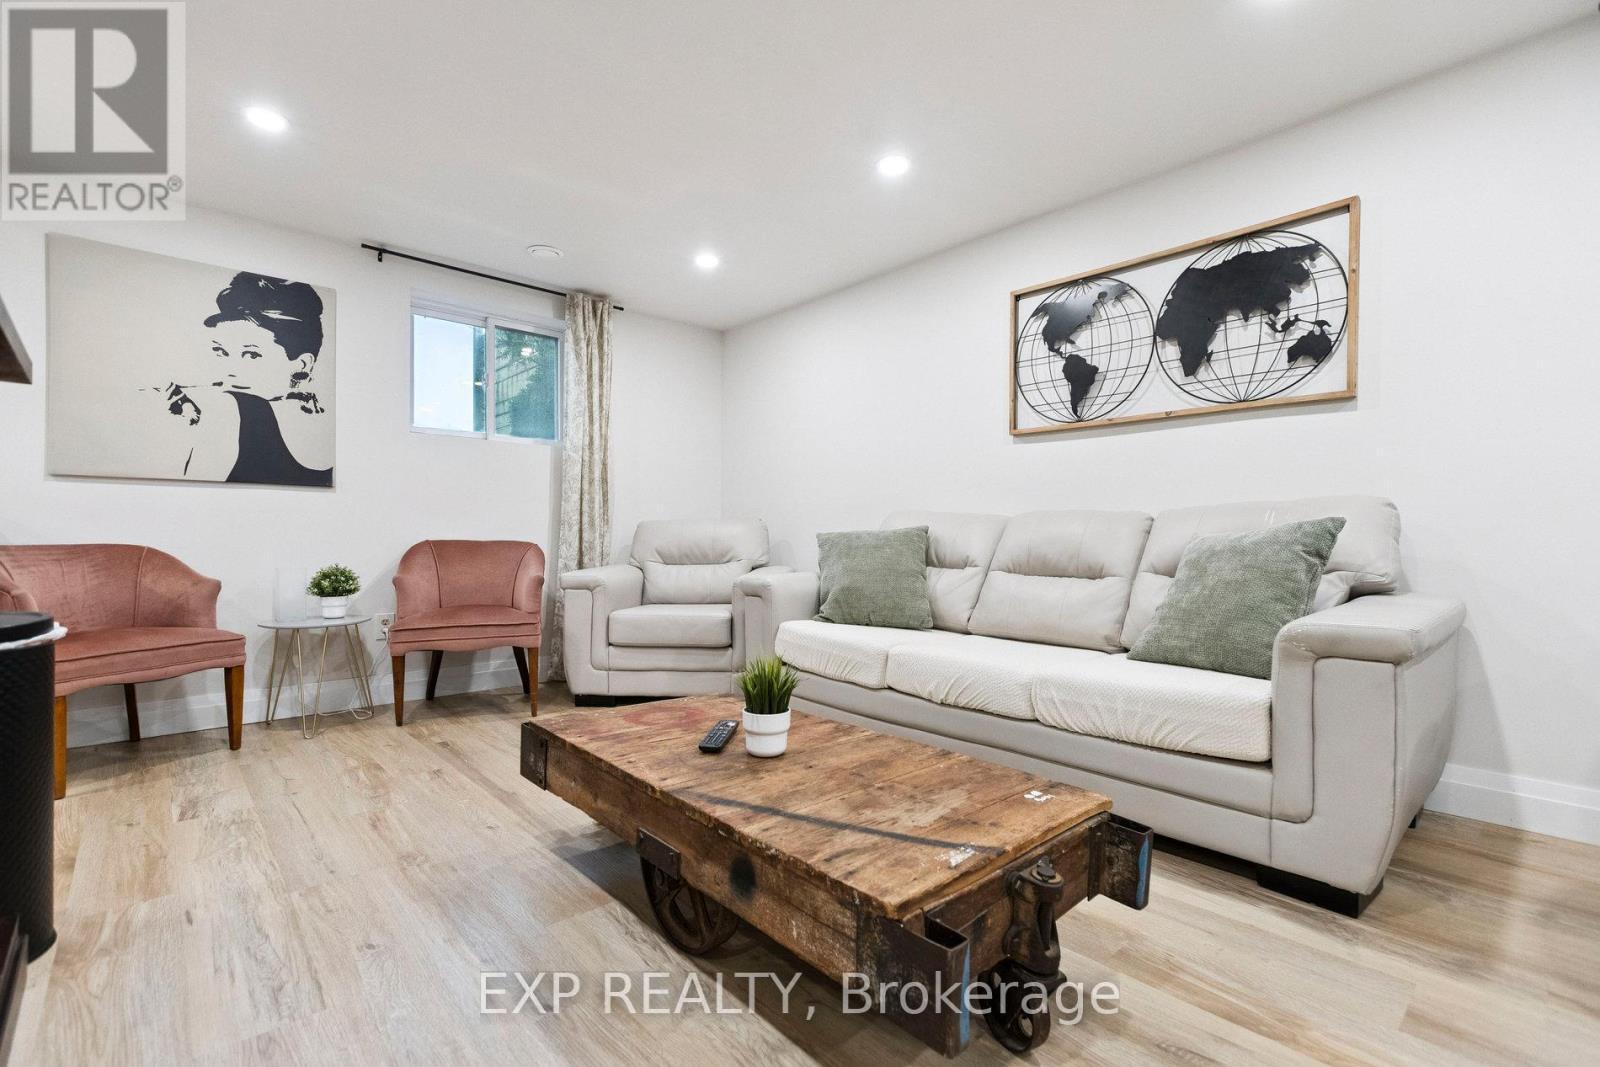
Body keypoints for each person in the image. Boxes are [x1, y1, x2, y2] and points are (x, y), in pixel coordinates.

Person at [155, 272, 333, 486]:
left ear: (301, 365)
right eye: (220, 352)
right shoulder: (329, 429)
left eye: (251, 355)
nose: (229, 370)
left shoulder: (228, 408)